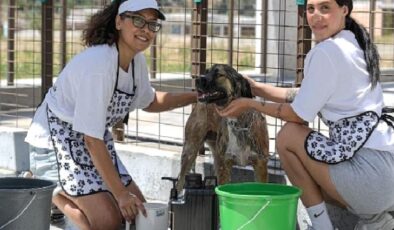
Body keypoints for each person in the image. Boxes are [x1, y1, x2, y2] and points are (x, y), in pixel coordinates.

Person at [217, 0, 394, 229]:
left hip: (369, 177)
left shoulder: (327, 51)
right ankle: (378, 221)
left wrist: (251, 104)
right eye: (311, 9)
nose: (316, 16)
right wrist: (257, 88)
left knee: (288, 137)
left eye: (325, 8)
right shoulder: (353, 42)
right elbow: (306, 95)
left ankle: (323, 227)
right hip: (386, 171)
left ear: (344, 9)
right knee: (311, 164)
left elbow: (298, 115)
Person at [24, 0, 196, 229]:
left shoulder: (136, 62)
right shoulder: (98, 65)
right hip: (56, 143)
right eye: (138, 20)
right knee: (108, 221)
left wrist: (196, 96)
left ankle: (69, 198)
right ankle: (48, 188)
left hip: (92, 142)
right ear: (118, 21)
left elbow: (151, 101)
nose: (145, 29)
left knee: (139, 213)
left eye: (152, 24)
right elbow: (92, 140)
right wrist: (121, 194)